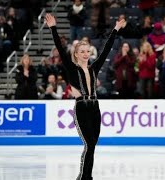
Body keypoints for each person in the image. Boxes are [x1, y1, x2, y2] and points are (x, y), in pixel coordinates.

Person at [45, 13, 124, 180]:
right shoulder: (72, 69)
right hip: (81, 108)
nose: (86, 54)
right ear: (76, 54)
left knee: (93, 145)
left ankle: (87, 177)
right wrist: (53, 28)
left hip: (95, 107)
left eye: (88, 51)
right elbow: (60, 48)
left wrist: (116, 29)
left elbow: (106, 50)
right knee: (89, 144)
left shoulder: (94, 68)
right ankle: (84, 177)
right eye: (82, 51)